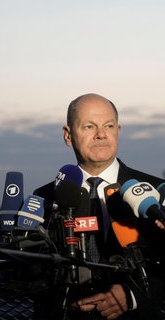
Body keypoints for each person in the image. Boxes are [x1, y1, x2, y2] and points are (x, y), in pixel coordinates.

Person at [33, 93, 165, 319]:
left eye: (109, 125)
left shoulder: (156, 190)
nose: (101, 134)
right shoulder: (44, 197)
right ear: (68, 135)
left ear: (118, 131)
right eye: (89, 127)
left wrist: (132, 295)